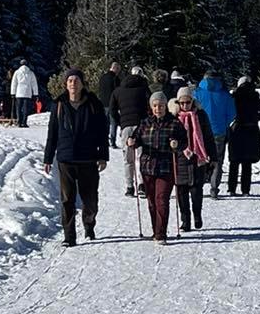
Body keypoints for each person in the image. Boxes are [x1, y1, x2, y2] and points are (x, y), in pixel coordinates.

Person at [42, 67, 109, 244]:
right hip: (66, 158)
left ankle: (89, 225)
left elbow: (102, 132)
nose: (73, 83)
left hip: (88, 158)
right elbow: (52, 133)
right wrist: (48, 158)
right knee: (67, 199)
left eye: (76, 80)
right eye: (70, 80)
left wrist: (103, 155)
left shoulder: (94, 104)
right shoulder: (59, 105)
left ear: (82, 83)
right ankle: (69, 236)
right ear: (66, 84)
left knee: (90, 200)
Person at [128, 90, 182, 241]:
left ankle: (161, 233)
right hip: (148, 167)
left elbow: (184, 141)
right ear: (151, 107)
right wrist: (131, 142)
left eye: (161, 105)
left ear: (166, 106)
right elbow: (136, 138)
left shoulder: (174, 123)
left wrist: (177, 144)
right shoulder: (145, 123)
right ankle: (156, 230)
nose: (158, 108)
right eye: (155, 105)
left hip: (166, 167)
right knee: (152, 201)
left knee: (161, 199)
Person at [172, 87, 214, 232]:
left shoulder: (201, 115)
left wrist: (213, 156)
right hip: (180, 157)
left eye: (188, 102)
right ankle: (185, 220)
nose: (185, 106)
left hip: (198, 157)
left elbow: (208, 136)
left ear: (192, 101)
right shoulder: (174, 117)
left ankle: (197, 214)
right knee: (181, 191)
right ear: (178, 103)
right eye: (182, 103)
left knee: (196, 190)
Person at [227, 74, 260, 194]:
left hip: (237, 129)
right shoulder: (254, 96)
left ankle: (231, 188)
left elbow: (228, 111)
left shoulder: (234, 97)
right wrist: (255, 117)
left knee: (234, 161)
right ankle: (245, 189)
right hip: (252, 130)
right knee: (247, 162)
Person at [112, 63, 152, 192]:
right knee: (142, 156)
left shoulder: (118, 90)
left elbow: (112, 110)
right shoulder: (144, 88)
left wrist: (120, 122)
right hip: (142, 125)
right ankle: (141, 184)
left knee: (128, 158)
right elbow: (151, 104)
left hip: (126, 125)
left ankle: (129, 186)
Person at [195, 70, 234, 197]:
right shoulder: (225, 94)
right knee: (217, 160)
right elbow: (232, 113)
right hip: (219, 130)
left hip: (201, 130)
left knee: (201, 157)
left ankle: (199, 185)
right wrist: (224, 123)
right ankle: (214, 188)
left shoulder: (198, 93)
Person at [10, 57, 40, 127]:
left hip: (19, 92)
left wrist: (13, 93)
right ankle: (24, 122)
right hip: (27, 92)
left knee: (18, 108)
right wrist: (36, 94)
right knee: (26, 108)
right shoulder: (30, 73)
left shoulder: (17, 72)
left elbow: (14, 83)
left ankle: (19, 122)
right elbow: (34, 84)